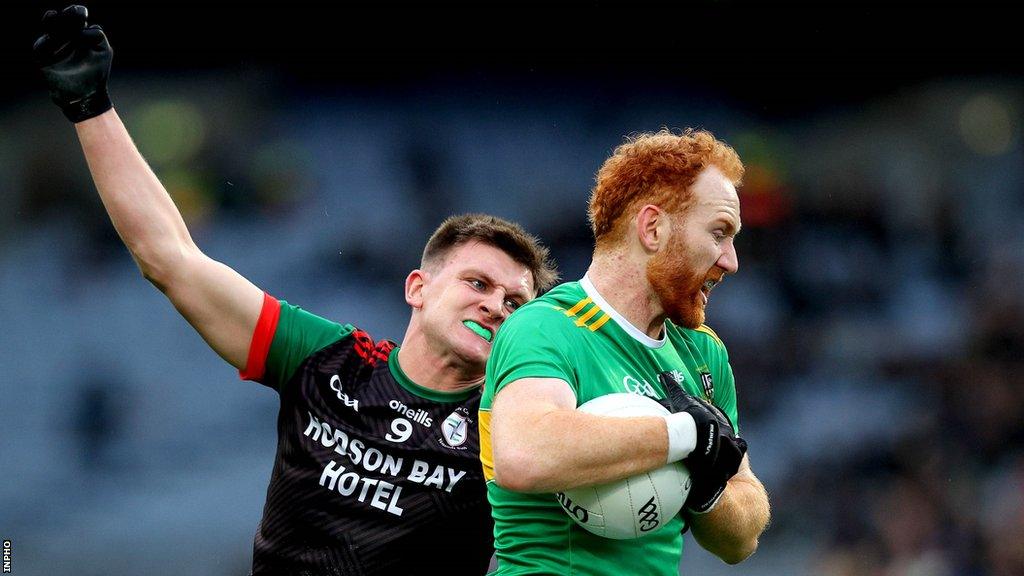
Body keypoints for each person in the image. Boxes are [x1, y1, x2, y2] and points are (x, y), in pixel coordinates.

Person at [33, 6, 558, 575]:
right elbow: (170, 259)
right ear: (418, 288)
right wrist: (91, 108)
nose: (495, 306)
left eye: (514, 303)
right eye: (478, 283)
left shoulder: (515, 430)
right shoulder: (326, 360)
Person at [480, 129, 771, 574]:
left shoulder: (703, 354)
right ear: (652, 228)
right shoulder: (546, 326)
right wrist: (684, 436)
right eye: (718, 233)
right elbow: (524, 456)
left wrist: (711, 485)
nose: (731, 261)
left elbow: (742, 539)